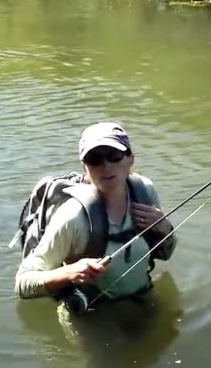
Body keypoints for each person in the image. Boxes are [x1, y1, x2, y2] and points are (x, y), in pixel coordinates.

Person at [13, 121, 177, 308]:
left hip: (142, 297)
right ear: (85, 166)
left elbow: (165, 255)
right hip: (92, 311)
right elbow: (22, 284)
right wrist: (70, 273)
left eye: (114, 156)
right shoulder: (73, 217)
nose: (106, 166)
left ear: (130, 158)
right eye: (94, 159)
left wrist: (164, 228)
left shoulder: (144, 192)